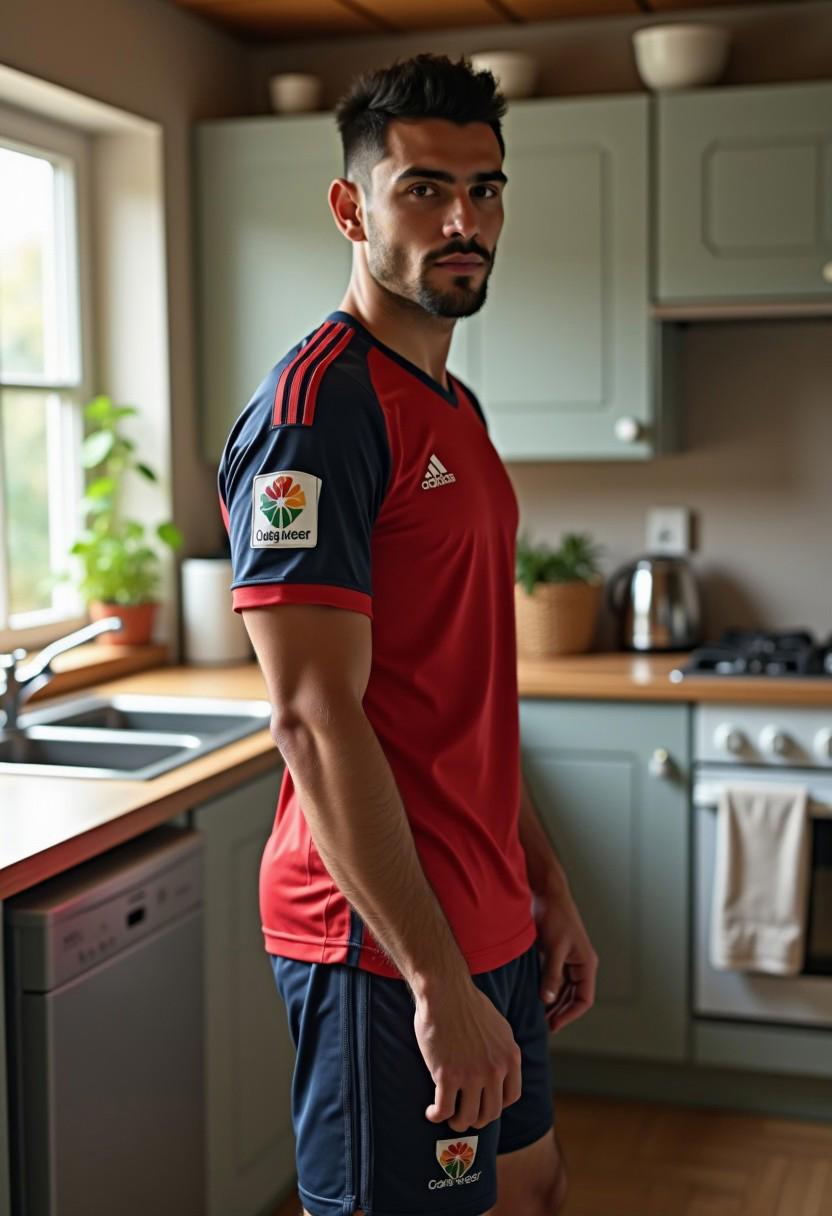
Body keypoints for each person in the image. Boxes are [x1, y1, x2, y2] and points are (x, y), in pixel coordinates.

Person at [217, 52, 598, 1216]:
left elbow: (457, 695)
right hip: (380, 946)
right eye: (424, 189)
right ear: (351, 208)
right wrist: (436, 982)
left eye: (483, 189)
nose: (463, 219)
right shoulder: (314, 415)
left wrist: (542, 877)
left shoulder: (454, 405)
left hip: (484, 916)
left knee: (529, 1191)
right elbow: (312, 715)